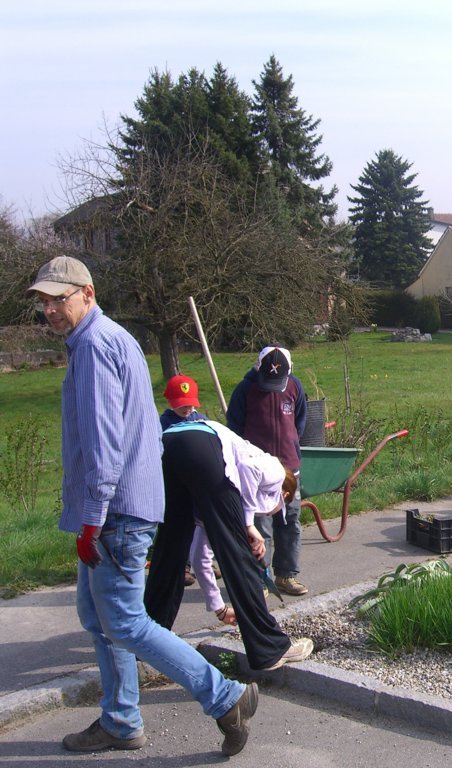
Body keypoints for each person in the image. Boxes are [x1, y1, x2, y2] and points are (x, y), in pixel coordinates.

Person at [28, 256, 258, 757]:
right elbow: (141, 435)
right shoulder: (115, 339)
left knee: (127, 622)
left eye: (58, 298)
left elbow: (105, 443)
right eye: (44, 301)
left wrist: (92, 519)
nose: (50, 309)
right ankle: (121, 720)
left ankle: (226, 695)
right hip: (122, 508)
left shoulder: (93, 346)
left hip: (113, 514)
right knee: (100, 617)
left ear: (87, 293)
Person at [144, 418, 314, 670]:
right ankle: (270, 648)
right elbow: (248, 469)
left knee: (170, 550)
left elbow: (201, 559)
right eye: (271, 512)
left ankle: (147, 641)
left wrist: (220, 608)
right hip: (203, 442)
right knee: (238, 557)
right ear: (284, 495)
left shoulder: (216, 489)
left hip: (169, 443)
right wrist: (247, 525)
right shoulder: (276, 470)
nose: (266, 515)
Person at [227, 345, 308, 596]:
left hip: (288, 471)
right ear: (258, 367)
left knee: (290, 522)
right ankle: (260, 580)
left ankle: (286, 575)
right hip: (257, 473)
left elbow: (300, 424)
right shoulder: (245, 390)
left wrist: (290, 450)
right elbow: (235, 428)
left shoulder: (295, 387)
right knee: (260, 527)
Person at [159, 374, 208, 587]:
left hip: (198, 483)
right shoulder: (163, 423)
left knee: (202, 525)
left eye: (190, 405)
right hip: (175, 484)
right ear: (170, 402)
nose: (187, 409)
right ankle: (182, 566)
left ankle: (204, 562)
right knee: (179, 528)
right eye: (182, 406)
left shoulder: (201, 420)